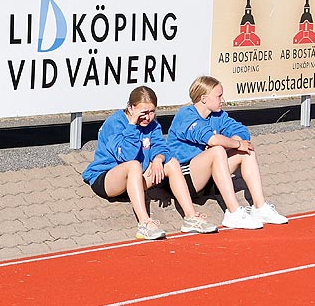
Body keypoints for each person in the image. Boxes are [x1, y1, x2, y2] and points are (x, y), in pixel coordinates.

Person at [81, 85, 218, 241]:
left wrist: (158, 159)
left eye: (152, 112)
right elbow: (126, 156)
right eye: (143, 113)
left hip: (137, 179)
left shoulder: (152, 124)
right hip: (108, 178)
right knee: (134, 165)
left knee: (171, 163)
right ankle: (144, 223)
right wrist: (132, 124)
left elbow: (162, 146)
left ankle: (191, 217)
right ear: (131, 108)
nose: (147, 117)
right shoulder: (115, 123)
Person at [165, 76, 288, 230]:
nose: (222, 100)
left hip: (210, 175)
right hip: (185, 178)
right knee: (218, 150)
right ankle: (233, 212)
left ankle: (259, 207)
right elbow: (212, 139)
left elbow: (241, 130)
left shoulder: (218, 115)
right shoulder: (186, 115)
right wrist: (236, 144)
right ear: (204, 98)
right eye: (219, 96)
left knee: (246, 152)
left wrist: (238, 143)